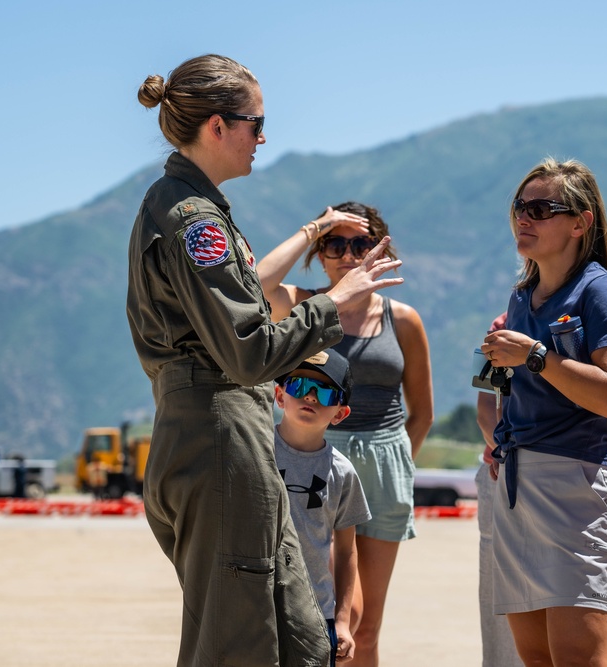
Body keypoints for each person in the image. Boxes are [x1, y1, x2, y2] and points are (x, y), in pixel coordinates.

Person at [126, 54, 403, 666]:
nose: (264, 137)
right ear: (218, 126)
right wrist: (336, 301)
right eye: (255, 123)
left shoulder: (187, 205)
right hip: (221, 437)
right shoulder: (195, 219)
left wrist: (314, 231)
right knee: (240, 641)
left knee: (291, 634)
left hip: (216, 435)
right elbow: (250, 351)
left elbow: (244, 289)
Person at [480, 158, 607, 666]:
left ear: (580, 222)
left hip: (578, 487)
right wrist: (501, 440)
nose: (523, 218)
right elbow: (501, 393)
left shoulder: (600, 292)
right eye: (519, 207)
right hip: (518, 485)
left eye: (540, 208)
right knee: (538, 660)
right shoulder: (522, 297)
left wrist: (535, 355)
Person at [257, 201, 433, 667]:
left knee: (367, 627)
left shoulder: (404, 319)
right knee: (337, 614)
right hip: (318, 461)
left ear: (381, 249)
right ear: (320, 251)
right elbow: (256, 285)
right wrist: (314, 225)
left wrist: (398, 462)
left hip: (383, 464)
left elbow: (421, 413)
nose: (348, 254)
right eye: (335, 243)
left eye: (361, 243)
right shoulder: (300, 303)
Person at [476, 313, 607, 667]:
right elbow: (486, 400)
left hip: (586, 478)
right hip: (509, 477)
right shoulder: (504, 325)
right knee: (517, 626)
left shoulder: (596, 308)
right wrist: (502, 448)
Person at [274, 348, 372, 665]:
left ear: (340, 413)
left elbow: (346, 552)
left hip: (315, 612)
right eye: (300, 386)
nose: (312, 397)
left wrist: (342, 622)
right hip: (253, 606)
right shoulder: (253, 450)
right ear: (279, 395)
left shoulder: (342, 473)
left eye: (326, 391)